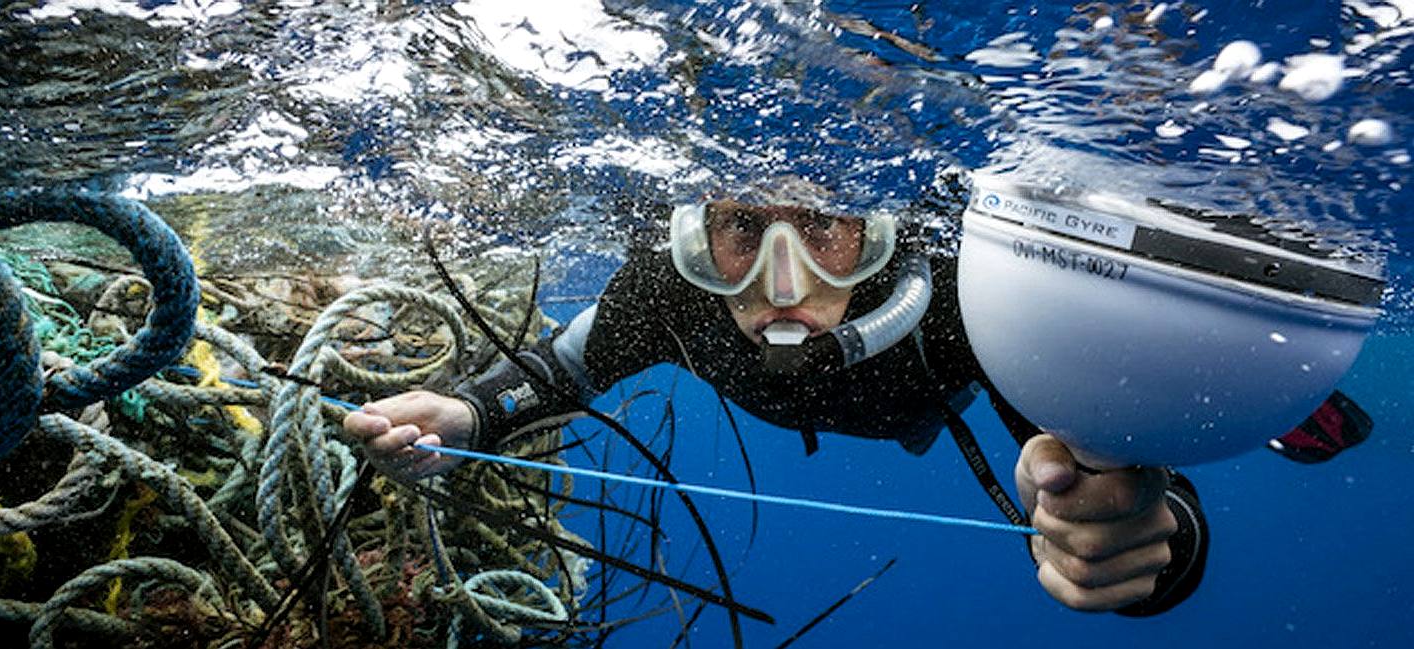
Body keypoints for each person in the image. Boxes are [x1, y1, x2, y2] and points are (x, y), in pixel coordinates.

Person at [342, 179, 1207, 615]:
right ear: (698, 234)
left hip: (919, 406)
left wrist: (1132, 534)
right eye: (745, 229)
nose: (781, 282)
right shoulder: (667, 292)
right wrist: (468, 414)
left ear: (879, 233)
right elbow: (558, 370)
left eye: (825, 225)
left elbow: (1117, 482)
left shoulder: (962, 301)